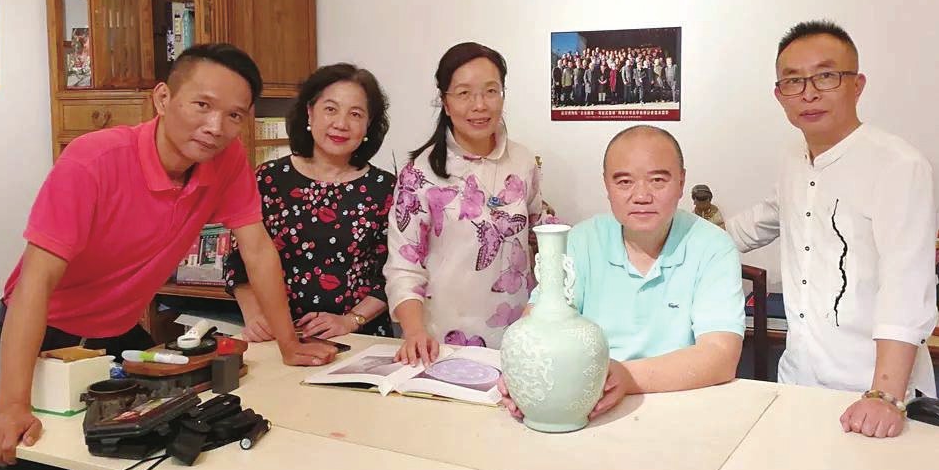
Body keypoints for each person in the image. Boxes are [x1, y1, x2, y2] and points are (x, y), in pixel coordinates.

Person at [0, 44, 336, 470]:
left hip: (119, 337)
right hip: (38, 337)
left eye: (234, 115)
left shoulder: (226, 160)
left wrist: (288, 343)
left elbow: (256, 249)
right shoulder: (94, 160)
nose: (216, 127)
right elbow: (35, 283)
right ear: (163, 98)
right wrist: (12, 406)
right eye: (202, 105)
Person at [726, 20, 938, 439]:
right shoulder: (793, 156)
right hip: (797, 380)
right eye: (793, 81)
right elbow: (766, 217)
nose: (809, 93)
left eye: (825, 76)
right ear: (779, 95)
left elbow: (907, 285)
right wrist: (676, 236)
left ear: (857, 85)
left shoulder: (898, 165)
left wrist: (885, 396)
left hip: (872, 392)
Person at [499, 125, 744, 422]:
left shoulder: (712, 246)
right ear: (607, 185)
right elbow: (535, 327)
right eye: (624, 181)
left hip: (682, 406)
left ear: (681, 182)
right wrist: (520, 372)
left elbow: (720, 355)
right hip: (590, 406)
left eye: (658, 180)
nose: (641, 196)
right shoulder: (581, 240)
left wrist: (626, 377)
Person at [385, 42, 550, 365]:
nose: (479, 105)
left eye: (491, 91)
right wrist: (414, 333)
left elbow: (539, 235)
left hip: (519, 335)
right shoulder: (420, 174)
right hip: (441, 340)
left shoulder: (523, 161)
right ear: (445, 102)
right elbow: (403, 267)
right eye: (464, 93)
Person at [226, 63, 395, 341]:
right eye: (330, 109)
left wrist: (350, 321)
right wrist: (255, 316)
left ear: (369, 124)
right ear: (309, 111)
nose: (341, 124)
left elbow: (395, 272)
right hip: (276, 335)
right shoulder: (268, 179)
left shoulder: (385, 189)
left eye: (355, 114)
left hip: (358, 338)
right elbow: (238, 260)